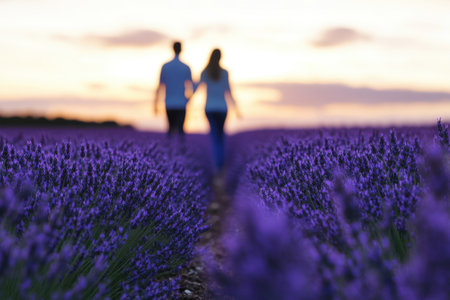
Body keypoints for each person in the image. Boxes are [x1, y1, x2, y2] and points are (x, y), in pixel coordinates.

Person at [194, 48, 241, 171]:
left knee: (214, 136)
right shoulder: (224, 72)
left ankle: (217, 166)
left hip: (210, 108)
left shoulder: (205, 72)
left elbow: (196, 88)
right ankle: (221, 164)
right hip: (222, 108)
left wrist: (186, 97)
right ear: (220, 57)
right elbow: (229, 91)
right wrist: (236, 108)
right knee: (221, 136)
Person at [154, 41, 193, 137]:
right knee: (181, 130)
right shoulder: (185, 67)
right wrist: (189, 98)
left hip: (169, 103)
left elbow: (160, 86)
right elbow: (192, 86)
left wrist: (155, 103)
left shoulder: (165, 66)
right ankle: (181, 150)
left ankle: (168, 150)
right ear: (181, 50)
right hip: (181, 103)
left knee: (170, 129)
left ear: (172, 49)